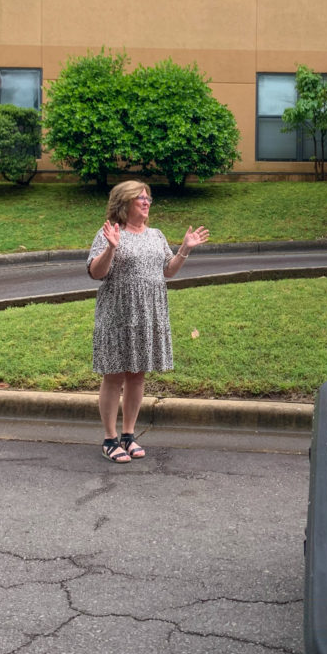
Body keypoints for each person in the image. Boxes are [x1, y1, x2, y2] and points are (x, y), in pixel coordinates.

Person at [87, 180, 209, 463]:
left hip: (147, 313)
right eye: (140, 198)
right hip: (117, 314)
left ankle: (128, 435)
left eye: (148, 198)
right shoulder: (110, 232)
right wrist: (111, 248)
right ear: (125, 202)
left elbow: (168, 271)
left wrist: (185, 249)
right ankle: (109, 438)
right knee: (114, 374)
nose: (146, 202)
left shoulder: (156, 235)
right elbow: (96, 272)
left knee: (137, 374)